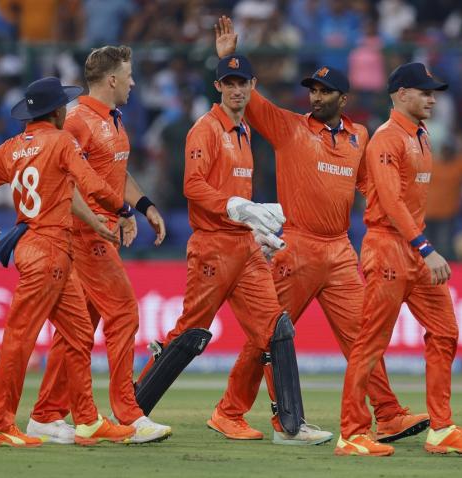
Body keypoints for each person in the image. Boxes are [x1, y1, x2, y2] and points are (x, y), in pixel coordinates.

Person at [210, 16, 428, 446]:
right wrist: (228, 58)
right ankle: (229, 411)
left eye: (325, 91)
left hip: (340, 250)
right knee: (269, 335)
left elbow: (370, 185)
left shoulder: (359, 137)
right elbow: (250, 102)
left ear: (343, 98)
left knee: (363, 335)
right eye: (312, 89)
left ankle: (388, 414)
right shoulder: (290, 127)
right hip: (298, 247)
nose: (316, 96)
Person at [133, 53, 332, 445]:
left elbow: (234, 193)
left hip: (243, 248)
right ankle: (132, 412)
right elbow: (193, 186)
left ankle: (289, 427)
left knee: (276, 328)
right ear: (218, 87)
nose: (237, 89)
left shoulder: (243, 132)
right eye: (230, 83)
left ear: (252, 86)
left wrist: (251, 223)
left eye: (243, 83)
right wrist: (234, 206)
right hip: (211, 247)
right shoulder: (206, 129)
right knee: (189, 334)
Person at [0, 76, 137, 447]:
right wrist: (122, 208)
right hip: (51, 248)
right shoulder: (61, 141)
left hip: (39, 247)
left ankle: (86, 420)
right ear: (56, 111)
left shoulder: (10, 148)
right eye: (64, 107)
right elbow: (92, 186)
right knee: (20, 338)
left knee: (78, 333)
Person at [336, 63, 462, 456]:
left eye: (433, 92)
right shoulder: (387, 138)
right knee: (370, 342)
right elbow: (389, 201)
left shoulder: (421, 134)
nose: (432, 98)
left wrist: (420, 247)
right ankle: (352, 434)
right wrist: (426, 247)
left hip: (412, 248)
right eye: (424, 92)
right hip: (389, 248)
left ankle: (440, 429)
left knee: (445, 331)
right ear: (401, 93)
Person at [27, 45, 171, 445]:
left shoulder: (113, 120)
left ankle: (45, 415)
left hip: (105, 229)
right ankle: (129, 412)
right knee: (123, 311)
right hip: (86, 234)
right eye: (128, 76)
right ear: (112, 80)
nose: (133, 82)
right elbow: (66, 183)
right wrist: (110, 217)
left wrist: (143, 206)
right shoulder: (75, 122)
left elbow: (114, 173)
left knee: (78, 330)